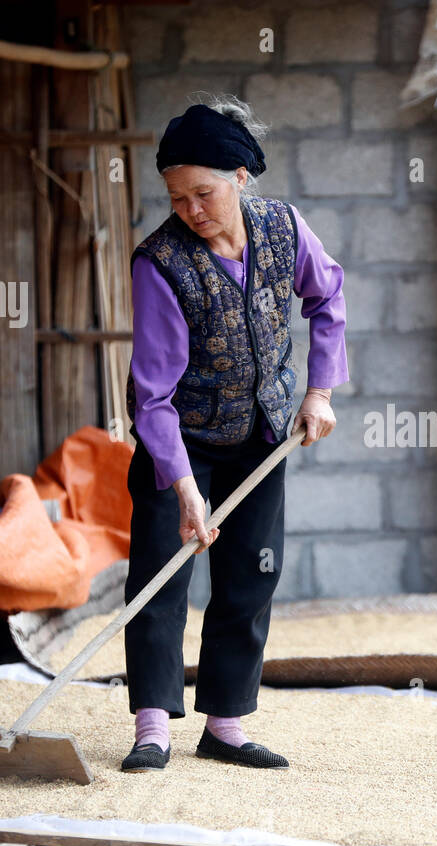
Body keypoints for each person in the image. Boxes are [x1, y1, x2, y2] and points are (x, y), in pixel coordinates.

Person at [120, 95, 348, 772]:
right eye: (177, 196)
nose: (191, 209)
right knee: (161, 580)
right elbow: (152, 394)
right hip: (180, 443)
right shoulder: (160, 262)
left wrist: (319, 391)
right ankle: (152, 726)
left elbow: (327, 298)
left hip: (262, 434)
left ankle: (225, 724)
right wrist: (185, 489)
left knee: (251, 575)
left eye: (204, 192)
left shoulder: (284, 228)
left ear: (241, 178)